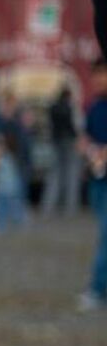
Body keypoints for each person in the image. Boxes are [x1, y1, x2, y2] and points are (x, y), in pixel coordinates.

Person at [79, 62, 107, 311]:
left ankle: (97, 288)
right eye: (96, 76)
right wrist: (88, 149)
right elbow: (85, 136)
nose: (99, 80)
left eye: (103, 75)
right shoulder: (94, 106)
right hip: (97, 179)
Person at [42, 86, 81, 215]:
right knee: (71, 174)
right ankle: (70, 206)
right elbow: (72, 126)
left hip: (56, 142)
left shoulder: (53, 108)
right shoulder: (68, 108)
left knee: (54, 174)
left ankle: (48, 205)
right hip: (68, 142)